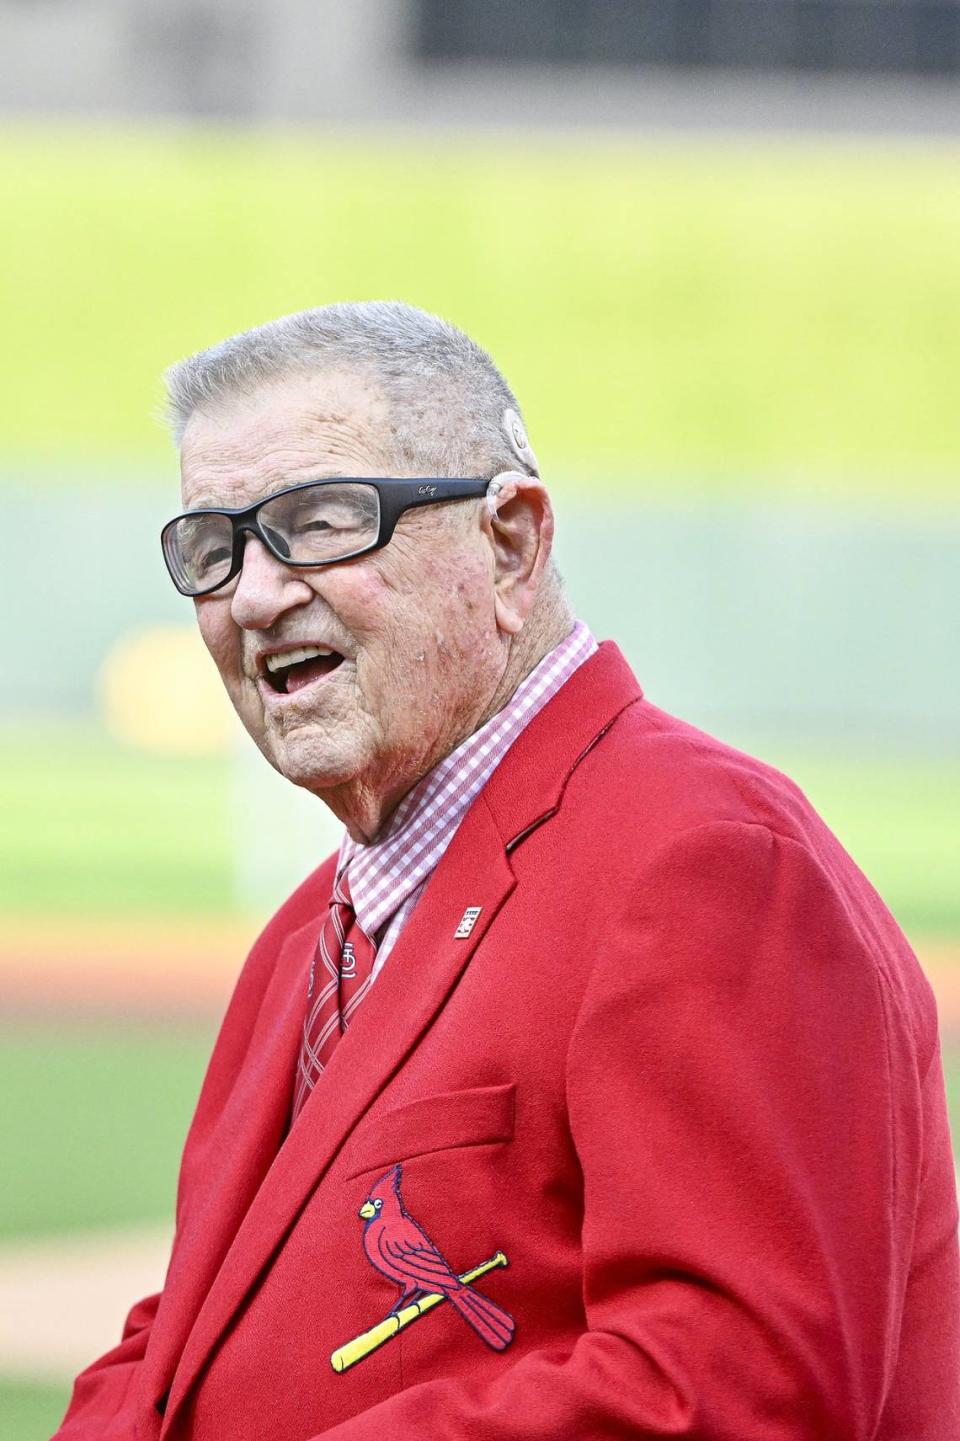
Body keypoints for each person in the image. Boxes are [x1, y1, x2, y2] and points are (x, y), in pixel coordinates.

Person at [55, 302, 958, 1441]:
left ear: (512, 544)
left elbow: (732, 1391)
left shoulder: (705, 862)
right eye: (212, 546)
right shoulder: (309, 936)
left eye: (320, 521)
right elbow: (177, 1345)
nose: (253, 593)